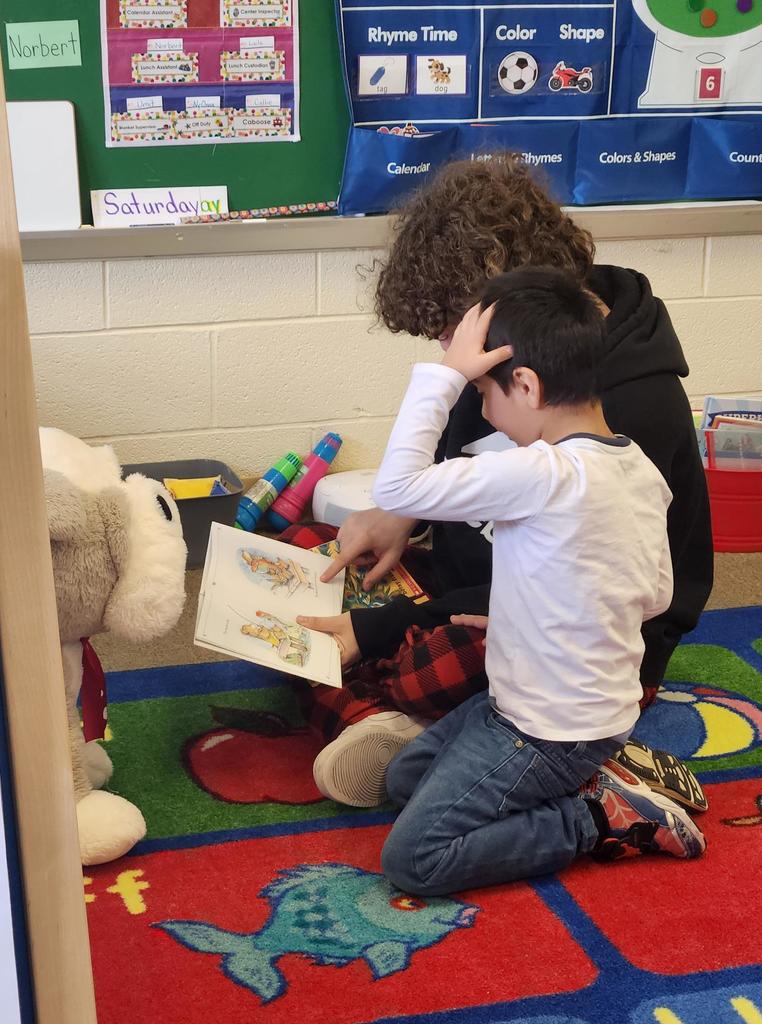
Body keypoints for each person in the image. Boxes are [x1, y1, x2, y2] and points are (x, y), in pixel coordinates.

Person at [291, 154, 713, 811]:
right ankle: (410, 729)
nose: (448, 355)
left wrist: (379, 630)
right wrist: (404, 518)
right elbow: (461, 474)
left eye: (449, 335)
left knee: (420, 661)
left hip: (564, 637)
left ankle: (404, 724)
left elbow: (589, 592)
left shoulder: (627, 404)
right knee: (307, 552)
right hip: (481, 585)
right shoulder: (513, 355)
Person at [372, 266, 706, 896]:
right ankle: (599, 773)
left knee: (415, 860)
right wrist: (532, 614)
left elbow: (397, 489)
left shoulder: (541, 471)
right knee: (403, 781)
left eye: (484, 393)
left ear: (525, 385)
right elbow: (653, 595)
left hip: (547, 731)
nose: (484, 411)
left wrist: (445, 376)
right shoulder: (636, 465)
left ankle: (598, 817)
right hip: (558, 711)